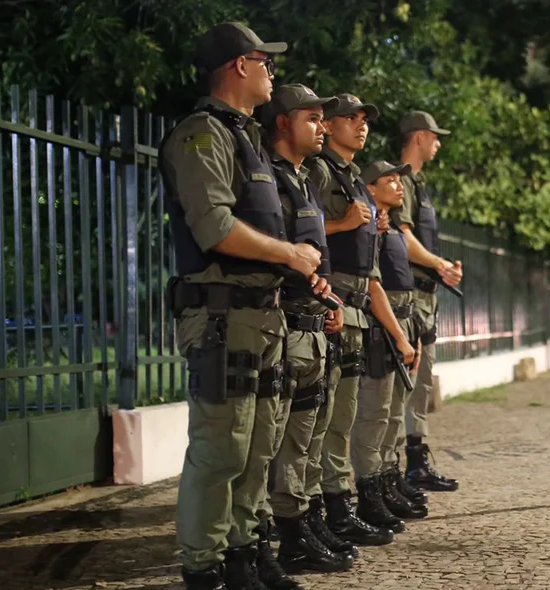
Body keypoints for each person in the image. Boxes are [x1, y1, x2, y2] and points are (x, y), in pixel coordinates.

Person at [159, 22, 321, 590]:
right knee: (221, 448)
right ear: (237, 66)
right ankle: (202, 570)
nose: (271, 70)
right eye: (264, 60)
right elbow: (216, 228)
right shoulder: (202, 134)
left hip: (262, 315)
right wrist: (292, 255)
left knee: (257, 449)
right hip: (224, 317)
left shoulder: (247, 138)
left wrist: (299, 268)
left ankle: (245, 556)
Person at [253, 84, 356, 582]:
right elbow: (277, 250)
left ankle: (304, 520)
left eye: (322, 118)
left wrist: (328, 299)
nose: (321, 126)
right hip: (286, 323)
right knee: (284, 441)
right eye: (312, 118)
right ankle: (287, 533)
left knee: (310, 435)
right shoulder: (269, 179)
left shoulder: (302, 179)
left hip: (315, 324)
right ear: (283, 123)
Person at [308, 93, 416, 546]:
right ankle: (317, 511)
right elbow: (296, 231)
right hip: (329, 306)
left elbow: (370, 273)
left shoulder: (352, 178)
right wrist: (345, 224)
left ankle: (337, 505)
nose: (360, 124)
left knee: (342, 416)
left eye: (364, 119)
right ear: (328, 127)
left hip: (356, 308)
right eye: (348, 118)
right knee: (321, 421)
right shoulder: (317, 171)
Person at [349, 160, 428, 533]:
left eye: (400, 180)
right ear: (369, 187)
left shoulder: (390, 227)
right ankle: (369, 489)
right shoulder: (369, 230)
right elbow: (373, 285)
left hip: (403, 320)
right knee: (374, 415)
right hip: (381, 328)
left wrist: (413, 332)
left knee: (395, 413)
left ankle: (387, 478)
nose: (399, 186)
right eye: (390, 181)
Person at [392, 111, 463, 493]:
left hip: (425, 294)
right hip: (408, 295)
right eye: (435, 136)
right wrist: (438, 264)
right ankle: (394, 470)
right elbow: (401, 238)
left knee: (421, 382)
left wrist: (442, 269)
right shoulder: (399, 180)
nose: (438, 143)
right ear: (418, 137)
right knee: (405, 383)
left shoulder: (418, 183)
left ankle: (416, 462)